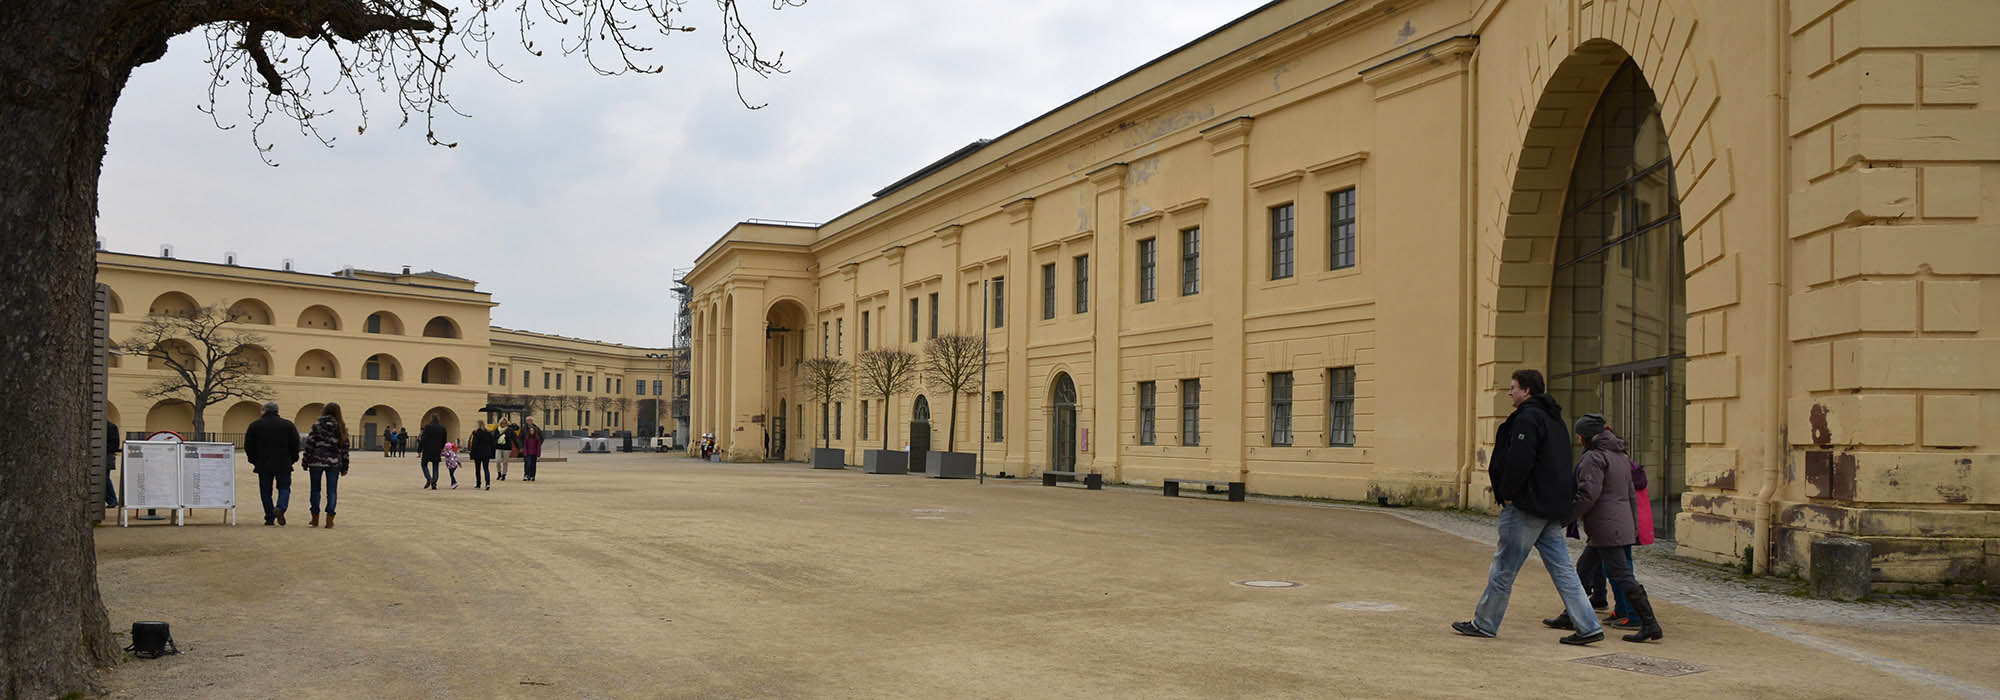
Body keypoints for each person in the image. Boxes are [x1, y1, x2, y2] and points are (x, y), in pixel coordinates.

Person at [1453, 369, 1603, 645]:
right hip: (1549, 507)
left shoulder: (1527, 418)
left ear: (1527, 390)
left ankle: (1485, 623)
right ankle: (1589, 625)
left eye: (1513, 387)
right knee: (1563, 570)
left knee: (1504, 568)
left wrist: (1508, 494)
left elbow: (1519, 461)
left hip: (1526, 506)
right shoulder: (1555, 420)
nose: (1509, 392)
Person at [1545, 415, 1664, 642]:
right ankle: (1571, 615)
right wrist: (1632, 525)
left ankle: (1650, 624)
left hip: (1606, 528)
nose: (1578, 437)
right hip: (1616, 525)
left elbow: (1588, 494)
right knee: (1583, 570)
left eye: (1579, 434)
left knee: (1622, 575)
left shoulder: (1594, 457)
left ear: (1586, 435)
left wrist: (1567, 517)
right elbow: (1630, 494)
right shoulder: (1619, 455)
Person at [243, 401, 301, 526]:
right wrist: (293, 459)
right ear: (277, 411)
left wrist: (254, 460)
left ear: (265, 410)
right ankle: (280, 507)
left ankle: (269, 517)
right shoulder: (288, 425)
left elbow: (248, 446)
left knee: (265, 491)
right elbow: (295, 444)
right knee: (284, 488)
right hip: (284, 462)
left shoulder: (255, 425)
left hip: (263, 463)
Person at [302, 402, 350, 529]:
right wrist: (345, 467)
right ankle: (329, 519)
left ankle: (315, 518)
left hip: (316, 461)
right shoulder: (341, 427)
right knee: (332, 491)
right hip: (334, 463)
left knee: (315, 490)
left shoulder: (317, 425)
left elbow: (310, 444)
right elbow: (345, 449)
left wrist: (305, 461)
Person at [419, 417, 447, 489]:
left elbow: (423, 438)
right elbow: (444, 440)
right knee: (435, 466)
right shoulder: (442, 428)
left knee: (424, 464)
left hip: (427, 449)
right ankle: (434, 482)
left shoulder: (427, 427)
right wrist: (441, 447)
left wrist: (420, 449)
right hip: (437, 449)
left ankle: (429, 478)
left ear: (431, 419)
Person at [469, 423, 497, 490]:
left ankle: (478, 483)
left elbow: (474, 445)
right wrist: (492, 453)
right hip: (486, 453)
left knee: (478, 469)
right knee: (486, 468)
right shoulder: (489, 433)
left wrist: (472, 454)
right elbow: (493, 444)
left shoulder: (476, 433)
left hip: (478, 454)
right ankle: (487, 483)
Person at [105, 421, 122, 508]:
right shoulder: (111, 426)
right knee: (104, 478)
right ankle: (111, 500)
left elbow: (114, 445)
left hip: (107, 456)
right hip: (107, 455)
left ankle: (112, 500)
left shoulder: (111, 426)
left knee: (104, 478)